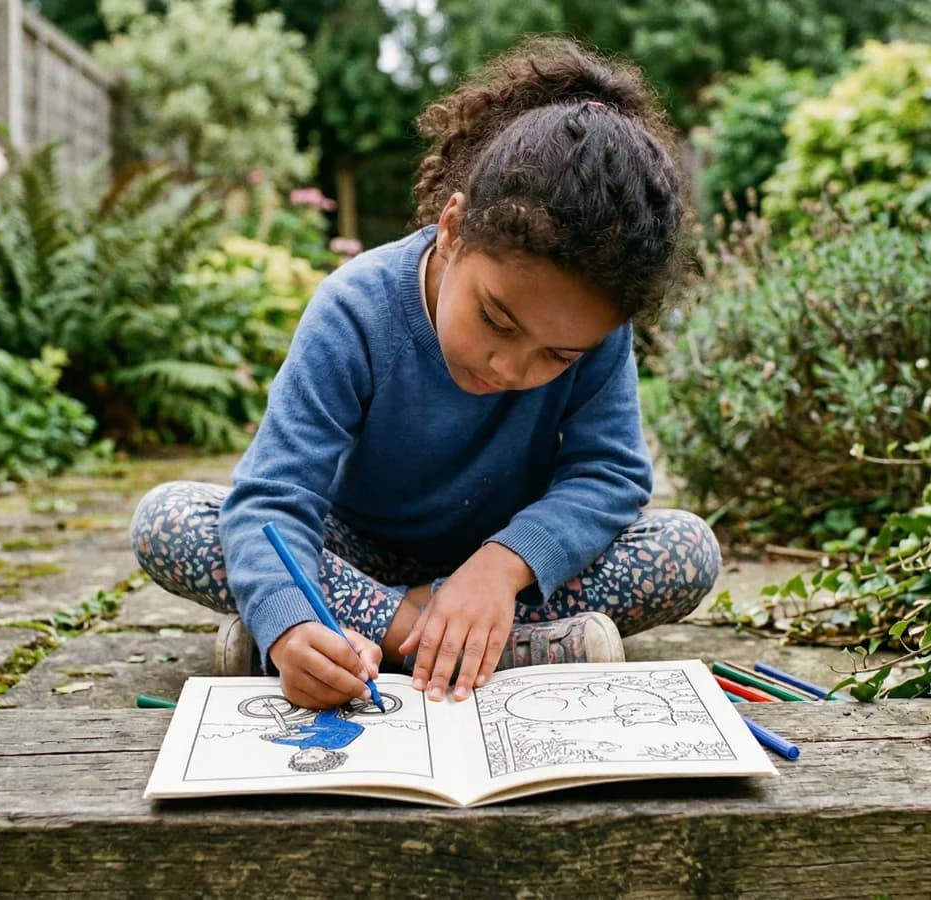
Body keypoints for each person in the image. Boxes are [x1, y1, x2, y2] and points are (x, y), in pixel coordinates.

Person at [130, 36, 720, 712]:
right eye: (497, 320)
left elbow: (609, 477)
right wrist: (293, 623)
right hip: (357, 554)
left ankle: (356, 642)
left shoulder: (597, 333)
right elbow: (273, 500)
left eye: (557, 357)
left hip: (509, 570)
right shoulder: (356, 307)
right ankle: (459, 645)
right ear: (453, 226)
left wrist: (499, 569)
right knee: (173, 520)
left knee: (683, 549)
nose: (512, 366)